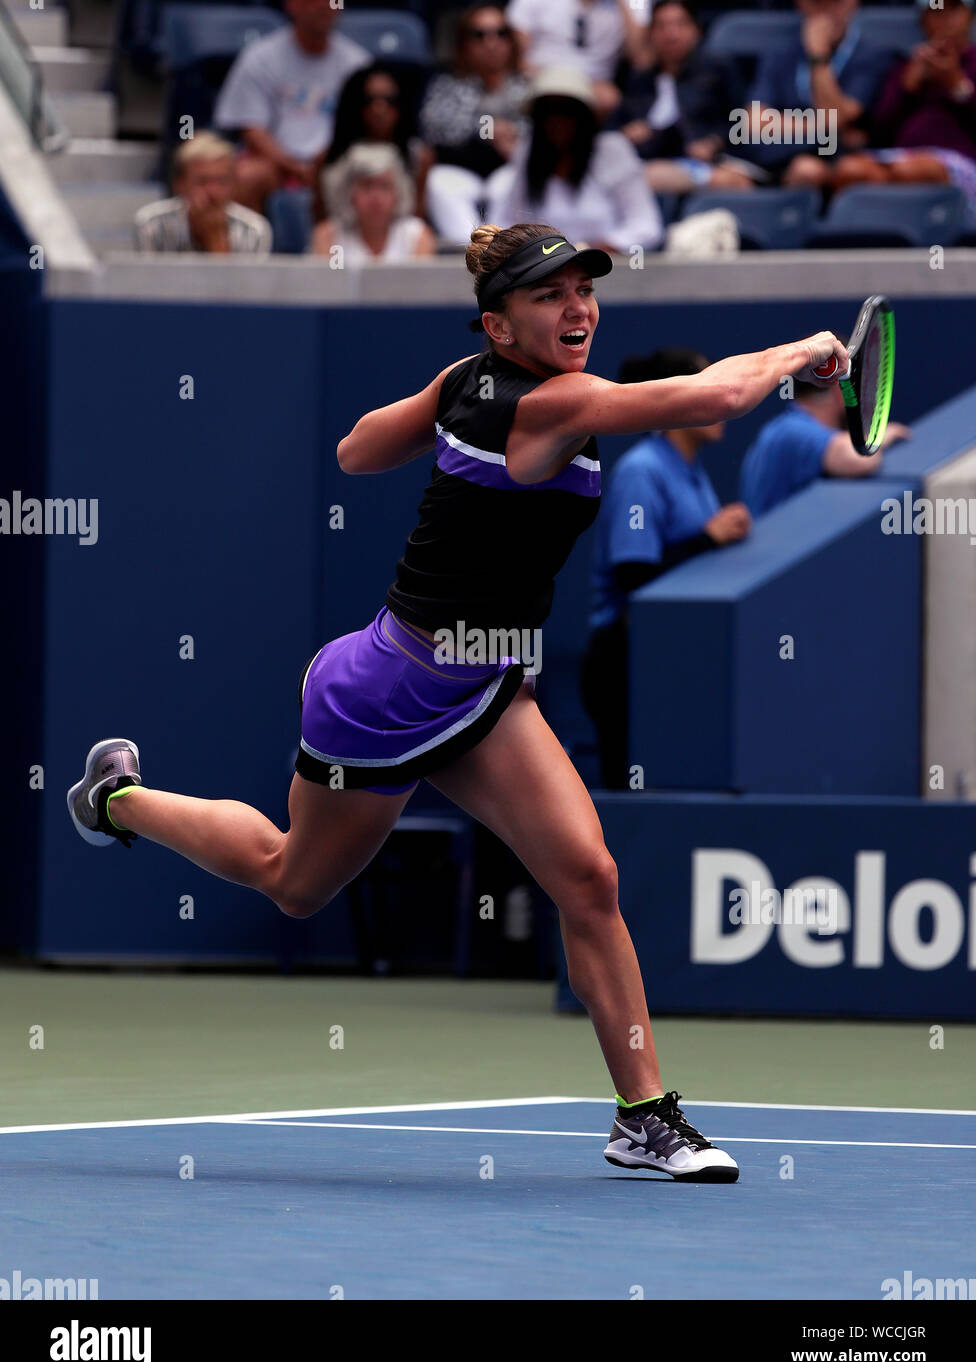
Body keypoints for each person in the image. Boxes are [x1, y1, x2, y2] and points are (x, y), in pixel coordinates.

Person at [68, 221, 851, 1182]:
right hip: (383, 694)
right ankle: (116, 798)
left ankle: (643, 1116)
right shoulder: (552, 402)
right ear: (500, 321)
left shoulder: (468, 379)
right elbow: (720, 392)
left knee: (590, 879)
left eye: (585, 292)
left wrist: (451, 400)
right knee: (294, 880)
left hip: (485, 684)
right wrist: (807, 350)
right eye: (549, 297)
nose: (577, 309)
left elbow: (358, 452)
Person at [582, 348, 751, 791]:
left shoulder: (691, 470)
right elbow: (632, 577)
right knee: (635, 799)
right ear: (680, 402)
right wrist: (709, 538)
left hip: (671, 656)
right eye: (708, 392)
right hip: (626, 662)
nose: (723, 402)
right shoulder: (643, 470)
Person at [828, 0, 976, 230]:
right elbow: (879, 133)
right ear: (923, 21)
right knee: (850, 170)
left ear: (969, 17)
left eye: (953, 12)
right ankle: (881, 234)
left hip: (958, 165)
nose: (945, 22)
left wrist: (957, 85)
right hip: (897, 159)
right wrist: (907, 88)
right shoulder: (903, 68)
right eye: (936, 13)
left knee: (918, 169)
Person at [214, 0, 371, 212]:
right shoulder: (260, 57)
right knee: (247, 177)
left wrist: (323, 162)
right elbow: (252, 128)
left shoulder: (357, 63)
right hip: (274, 164)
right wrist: (293, 166)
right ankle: (245, 244)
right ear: (292, 5)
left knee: (377, 174)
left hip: (336, 162)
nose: (326, 6)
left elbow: (360, 127)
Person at [488, 67, 663, 254]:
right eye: (548, 111)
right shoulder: (528, 152)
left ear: (585, 117)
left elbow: (647, 227)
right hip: (541, 275)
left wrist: (590, 251)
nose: (557, 121)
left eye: (567, 111)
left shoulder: (612, 150)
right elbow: (504, 221)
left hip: (605, 270)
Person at [612, 0, 758, 193]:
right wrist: (627, 134)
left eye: (680, 24)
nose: (671, 34)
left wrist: (714, 143)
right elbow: (614, 129)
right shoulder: (640, 79)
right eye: (661, 26)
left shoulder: (718, 70)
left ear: (697, 30)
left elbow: (742, 122)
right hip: (644, 161)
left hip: (706, 164)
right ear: (651, 34)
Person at [745, 0, 893, 188]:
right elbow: (755, 121)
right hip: (782, 155)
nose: (827, 14)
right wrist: (827, 128)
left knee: (809, 170)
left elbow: (839, 116)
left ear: (852, 4)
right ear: (801, 4)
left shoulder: (871, 56)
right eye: (818, 4)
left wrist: (818, 56)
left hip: (839, 159)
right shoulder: (781, 53)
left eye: (835, 3)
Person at [419, 5, 531, 245]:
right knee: (439, 181)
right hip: (461, 170)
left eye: (500, 33)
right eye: (479, 35)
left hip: (507, 168)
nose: (491, 43)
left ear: (511, 42)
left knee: (511, 181)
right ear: (465, 45)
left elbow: (542, 130)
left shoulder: (525, 85)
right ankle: (472, 252)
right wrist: (488, 128)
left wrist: (513, 135)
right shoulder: (448, 84)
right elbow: (434, 129)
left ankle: (504, 251)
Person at [739, 378, 910, 517]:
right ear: (841, 389)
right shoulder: (790, 431)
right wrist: (882, 434)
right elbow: (860, 458)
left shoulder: (782, 430)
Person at [507, 0, 651, 118]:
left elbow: (640, 58)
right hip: (544, 76)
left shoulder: (634, 3)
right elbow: (521, 57)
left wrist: (623, 5)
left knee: (608, 98)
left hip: (595, 84)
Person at [134, 132, 272, 255]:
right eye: (202, 181)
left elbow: (246, 284)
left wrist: (216, 242)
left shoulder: (255, 230)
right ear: (179, 184)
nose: (212, 191)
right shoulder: (151, 224)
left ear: (234, 185)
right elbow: (147, 281)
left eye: (221, 181)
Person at [322, 64, 432, 216]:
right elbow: (322, 218)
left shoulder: (419, 157)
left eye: (389, 100)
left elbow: (416, 218)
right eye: (369, 100)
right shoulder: (329, 158)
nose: (379, 108)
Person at [312, 143, 437, 264]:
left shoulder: (416, 236)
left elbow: (420, 284)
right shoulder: (330, 237)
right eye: (367, 186)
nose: (376, 197)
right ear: (348, 193)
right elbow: (333, 280)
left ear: (398, 193)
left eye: (385, 186)